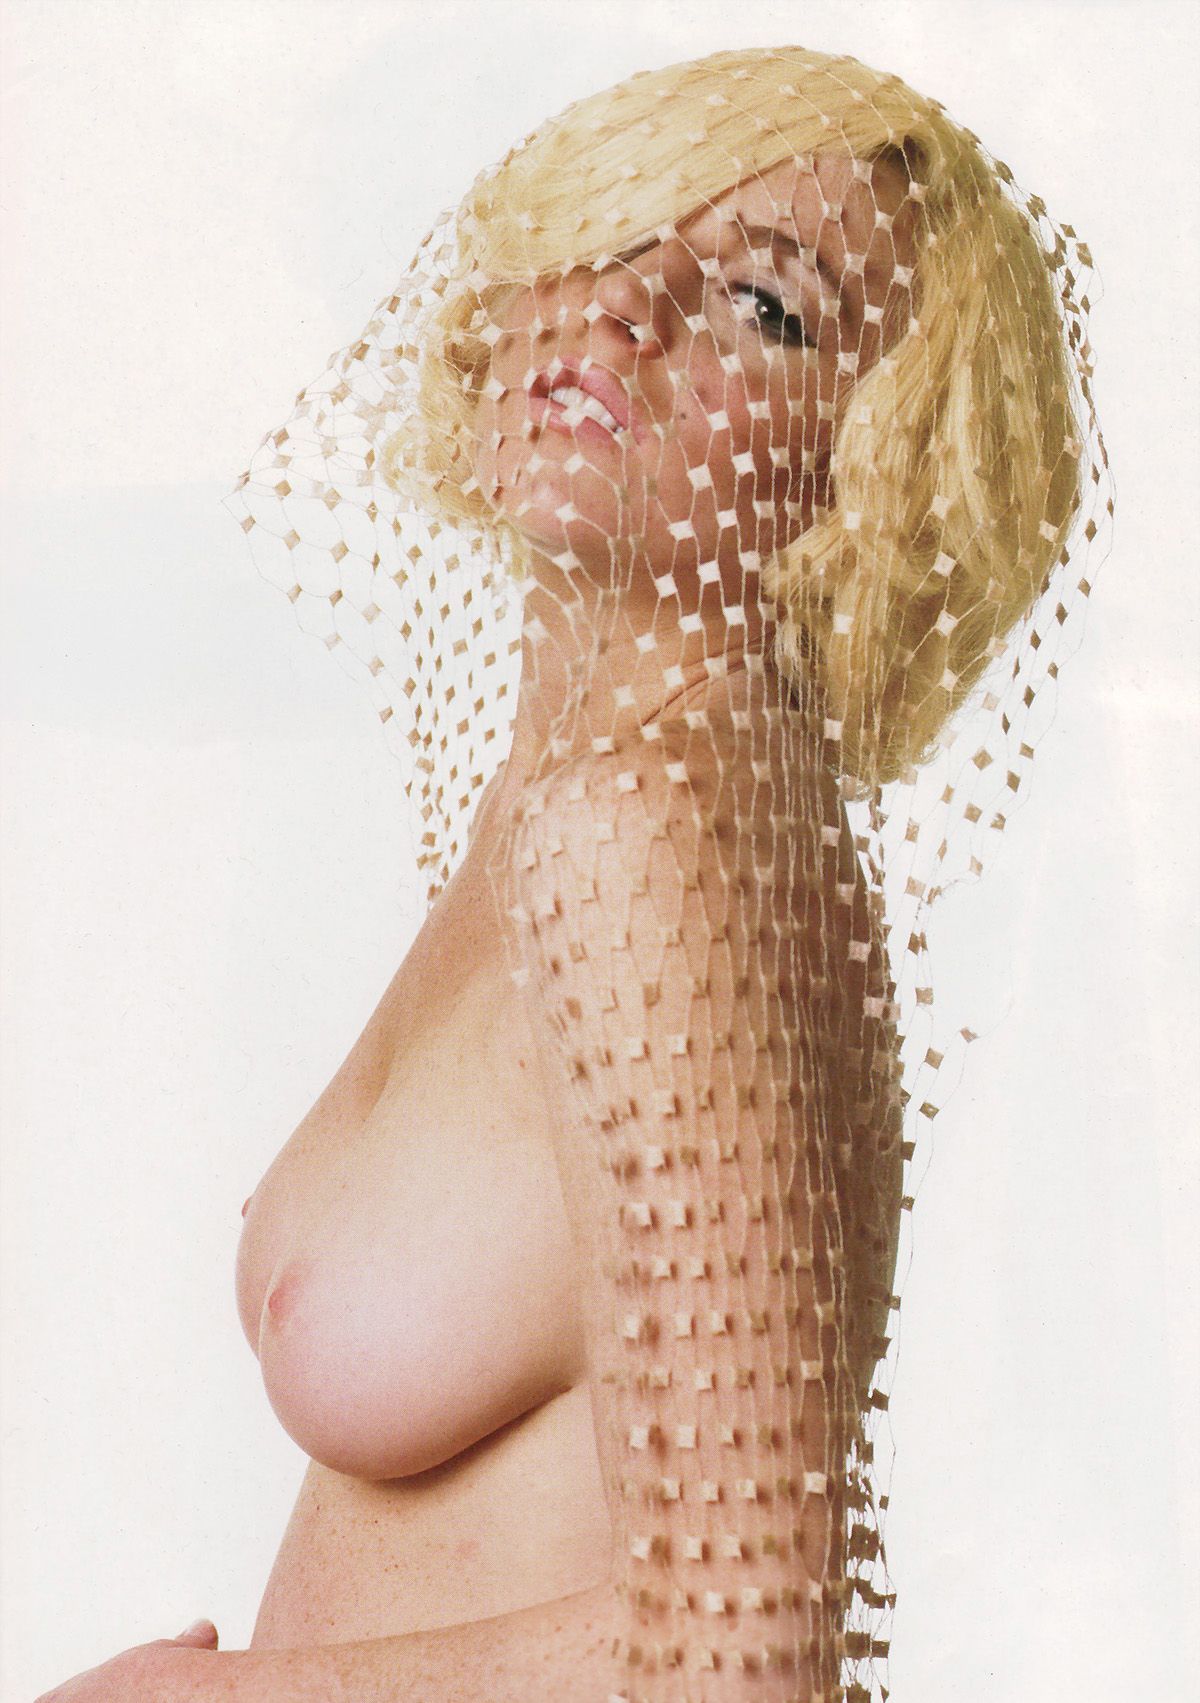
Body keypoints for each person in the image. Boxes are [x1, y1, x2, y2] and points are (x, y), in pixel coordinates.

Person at [37, 42, 1108, 1703]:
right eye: (615, 231)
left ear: (872, 473)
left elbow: (752, 1655)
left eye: (764, 307)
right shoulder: (587, 782)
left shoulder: (654, 829)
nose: (628, 310)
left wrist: (192, 1698)